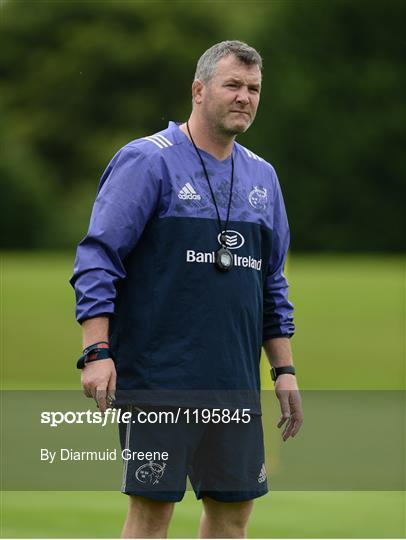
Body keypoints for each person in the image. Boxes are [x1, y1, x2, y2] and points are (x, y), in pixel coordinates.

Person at [70, 40, 303, 539]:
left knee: (233, 514)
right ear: (199, 91)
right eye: (233, 85)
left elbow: (272, 283)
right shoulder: (146, 161)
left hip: (234, 382)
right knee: (152, 514)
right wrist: (96, 349)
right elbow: (98, 256)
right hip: (160, 378)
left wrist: (283, 369)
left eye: (254, 88)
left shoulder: (263, 175)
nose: (245, 97)